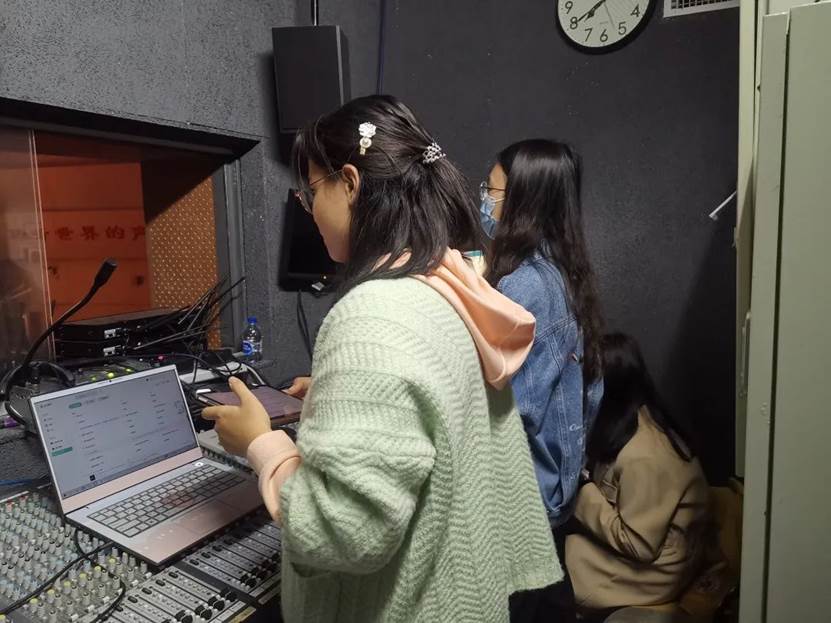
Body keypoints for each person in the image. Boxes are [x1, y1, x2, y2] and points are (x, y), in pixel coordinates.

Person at [202, 95, 559, 623]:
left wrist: (261, 443)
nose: (310, 211)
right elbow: (432, 406)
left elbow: (344, 533)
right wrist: (335, 393)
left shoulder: (371, 316)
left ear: (349, 183)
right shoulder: (446, 281)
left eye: (311, 192)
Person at [481, 140, 605, 534]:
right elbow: (592, 393)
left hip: (522, 500)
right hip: (553, 488)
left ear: (523, 201)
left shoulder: (526, 286)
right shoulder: (563, 270)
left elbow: (507, 413)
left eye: (491, 190)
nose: (484, 200)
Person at [565, 333, 711, 615]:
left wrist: (583, 489)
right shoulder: (636, 418)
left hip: (657, 573)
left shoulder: (645, 455)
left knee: (557, 565)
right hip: (658, 553)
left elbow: (639, 544)